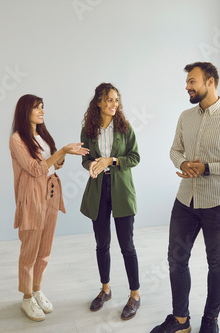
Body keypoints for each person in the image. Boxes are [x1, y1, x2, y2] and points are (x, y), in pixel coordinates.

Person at [152, 62, 220, 333]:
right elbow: (175, 149)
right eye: (187, 82)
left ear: (210, 82)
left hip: (219, 203)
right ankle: (181, 320)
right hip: (185, 201)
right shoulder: (186, 116)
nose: (187, 86)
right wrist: (183, 163)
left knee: (217, 263)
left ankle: (211, 320)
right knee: (176, 259)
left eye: (192, 81)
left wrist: (209, 168)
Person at [10, 94, 89, 322]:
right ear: (25, 111)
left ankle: (36, 289)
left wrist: (62, 156)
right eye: (37, 107)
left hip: (51, 192)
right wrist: (62, 152)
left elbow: (54, 165)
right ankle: (26, 297)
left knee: (44, 249)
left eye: (43, 107)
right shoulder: (17, 139)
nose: (42, 111)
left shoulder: (42, 136)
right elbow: (36, 169)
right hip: (32, 196)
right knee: (30, 249)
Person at [80, 83, 141, 320]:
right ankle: (105, 289)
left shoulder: (125, 128)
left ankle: (134, 295)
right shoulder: (88, 130)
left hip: (122, 190)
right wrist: (92, 166)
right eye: (108, 100)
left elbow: (135, 157)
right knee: (101, 244)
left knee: (127, 245)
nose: (113, 104)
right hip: (98, 190)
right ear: (98, 103)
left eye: (116, 100)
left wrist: (111, 161)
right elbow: (85, 159)